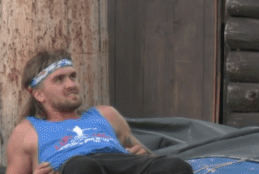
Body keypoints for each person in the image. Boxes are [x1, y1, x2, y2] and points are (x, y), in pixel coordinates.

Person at [5, 50, 192, 174]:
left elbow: (148, 157)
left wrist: (142, 154)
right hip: (74, 167)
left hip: (119, 162)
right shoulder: (27, 131)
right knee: (83, 167)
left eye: (73, 76)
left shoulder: (106, 114)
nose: (72, 84)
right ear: (39, 95)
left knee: (175, 166)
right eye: (59, 79)